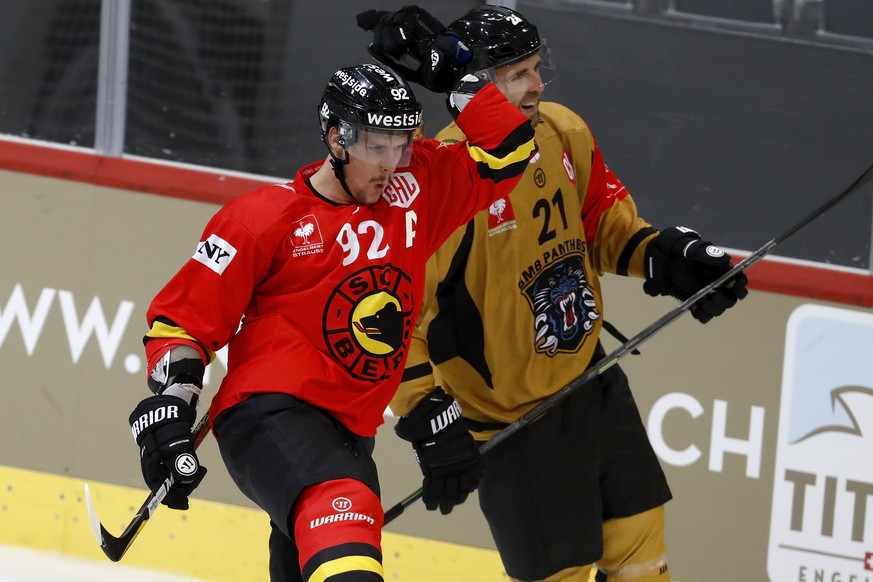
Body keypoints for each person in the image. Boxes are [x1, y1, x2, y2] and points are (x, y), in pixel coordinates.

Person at [365, 5, 749, 582]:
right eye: (518, 74)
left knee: (644, 560)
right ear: (476, 84)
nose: (537, 84)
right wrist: (426, 420)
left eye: (537, 68)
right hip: (508, 422)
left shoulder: (562, 130)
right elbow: (394, 323)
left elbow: (601, 226)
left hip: (592, 384)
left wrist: (670, 258)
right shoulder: (437, 176)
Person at [125, 56, 537, 581]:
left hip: (350, 430)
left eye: (401, 144)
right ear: (337, 139)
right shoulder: (264, 218)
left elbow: (511, 151)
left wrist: (454, 68)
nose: (391, 162)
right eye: (375, 146)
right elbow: (182, 323)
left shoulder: (419, 189)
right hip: (271, 414)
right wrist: (173, 405)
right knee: (350, 536)